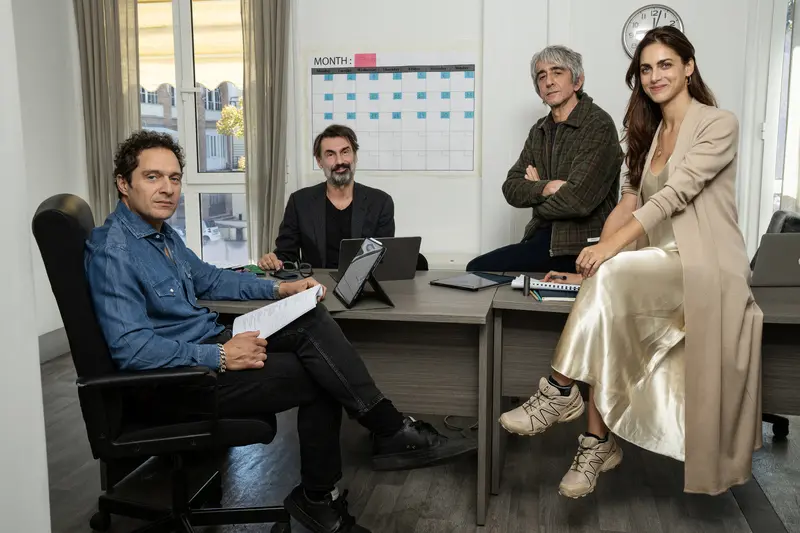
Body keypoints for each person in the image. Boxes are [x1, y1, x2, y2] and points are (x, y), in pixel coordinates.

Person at [85, 130, 475, 533]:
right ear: (123, 183)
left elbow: (212, 279)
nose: (167, 188)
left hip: (209, 347)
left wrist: (280, 290)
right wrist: (221, 355)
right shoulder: (114, 251)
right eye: (152, 177)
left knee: (308, 315)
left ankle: (373, 443)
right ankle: (340, 479)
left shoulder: (163, 235)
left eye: (174, 178)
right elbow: (131, 350)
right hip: (181, 379)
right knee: (320, 372)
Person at [498, 26, 762, 499]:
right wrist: (593, 261)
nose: (655, 76)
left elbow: (672, 198)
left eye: (665, 65)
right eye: (645, 69)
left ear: (689, 67)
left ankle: (558, 392)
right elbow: (629, 202)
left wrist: (609, 251)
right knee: (606, 290)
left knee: (613, 271)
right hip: (658, 259)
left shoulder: (719, 124)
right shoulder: (647, 133)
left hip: (707, 262)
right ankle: (597, 442)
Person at [466, 45, 623, 273]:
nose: (549, 81)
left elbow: (577, 202)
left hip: (580, 249)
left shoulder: (598, 125)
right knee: (478, 270)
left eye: (557, 72)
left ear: (577, 81)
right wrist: (547, 187)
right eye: (542, 76)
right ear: (538, 89)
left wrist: (534, 194)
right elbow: (511, 188)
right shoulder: (539, 130)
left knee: (478, 269)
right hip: (541, 240)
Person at [258, 124, 395, 271]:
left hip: (363, 283)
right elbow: (286, 254)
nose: (340, 161)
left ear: (355, 156)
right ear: (319, 161)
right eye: (330, 154)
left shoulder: (380, 202)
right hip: (314, 283)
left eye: (345, 152)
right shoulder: (299, 202)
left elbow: (382, 259)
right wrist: (273, 260)